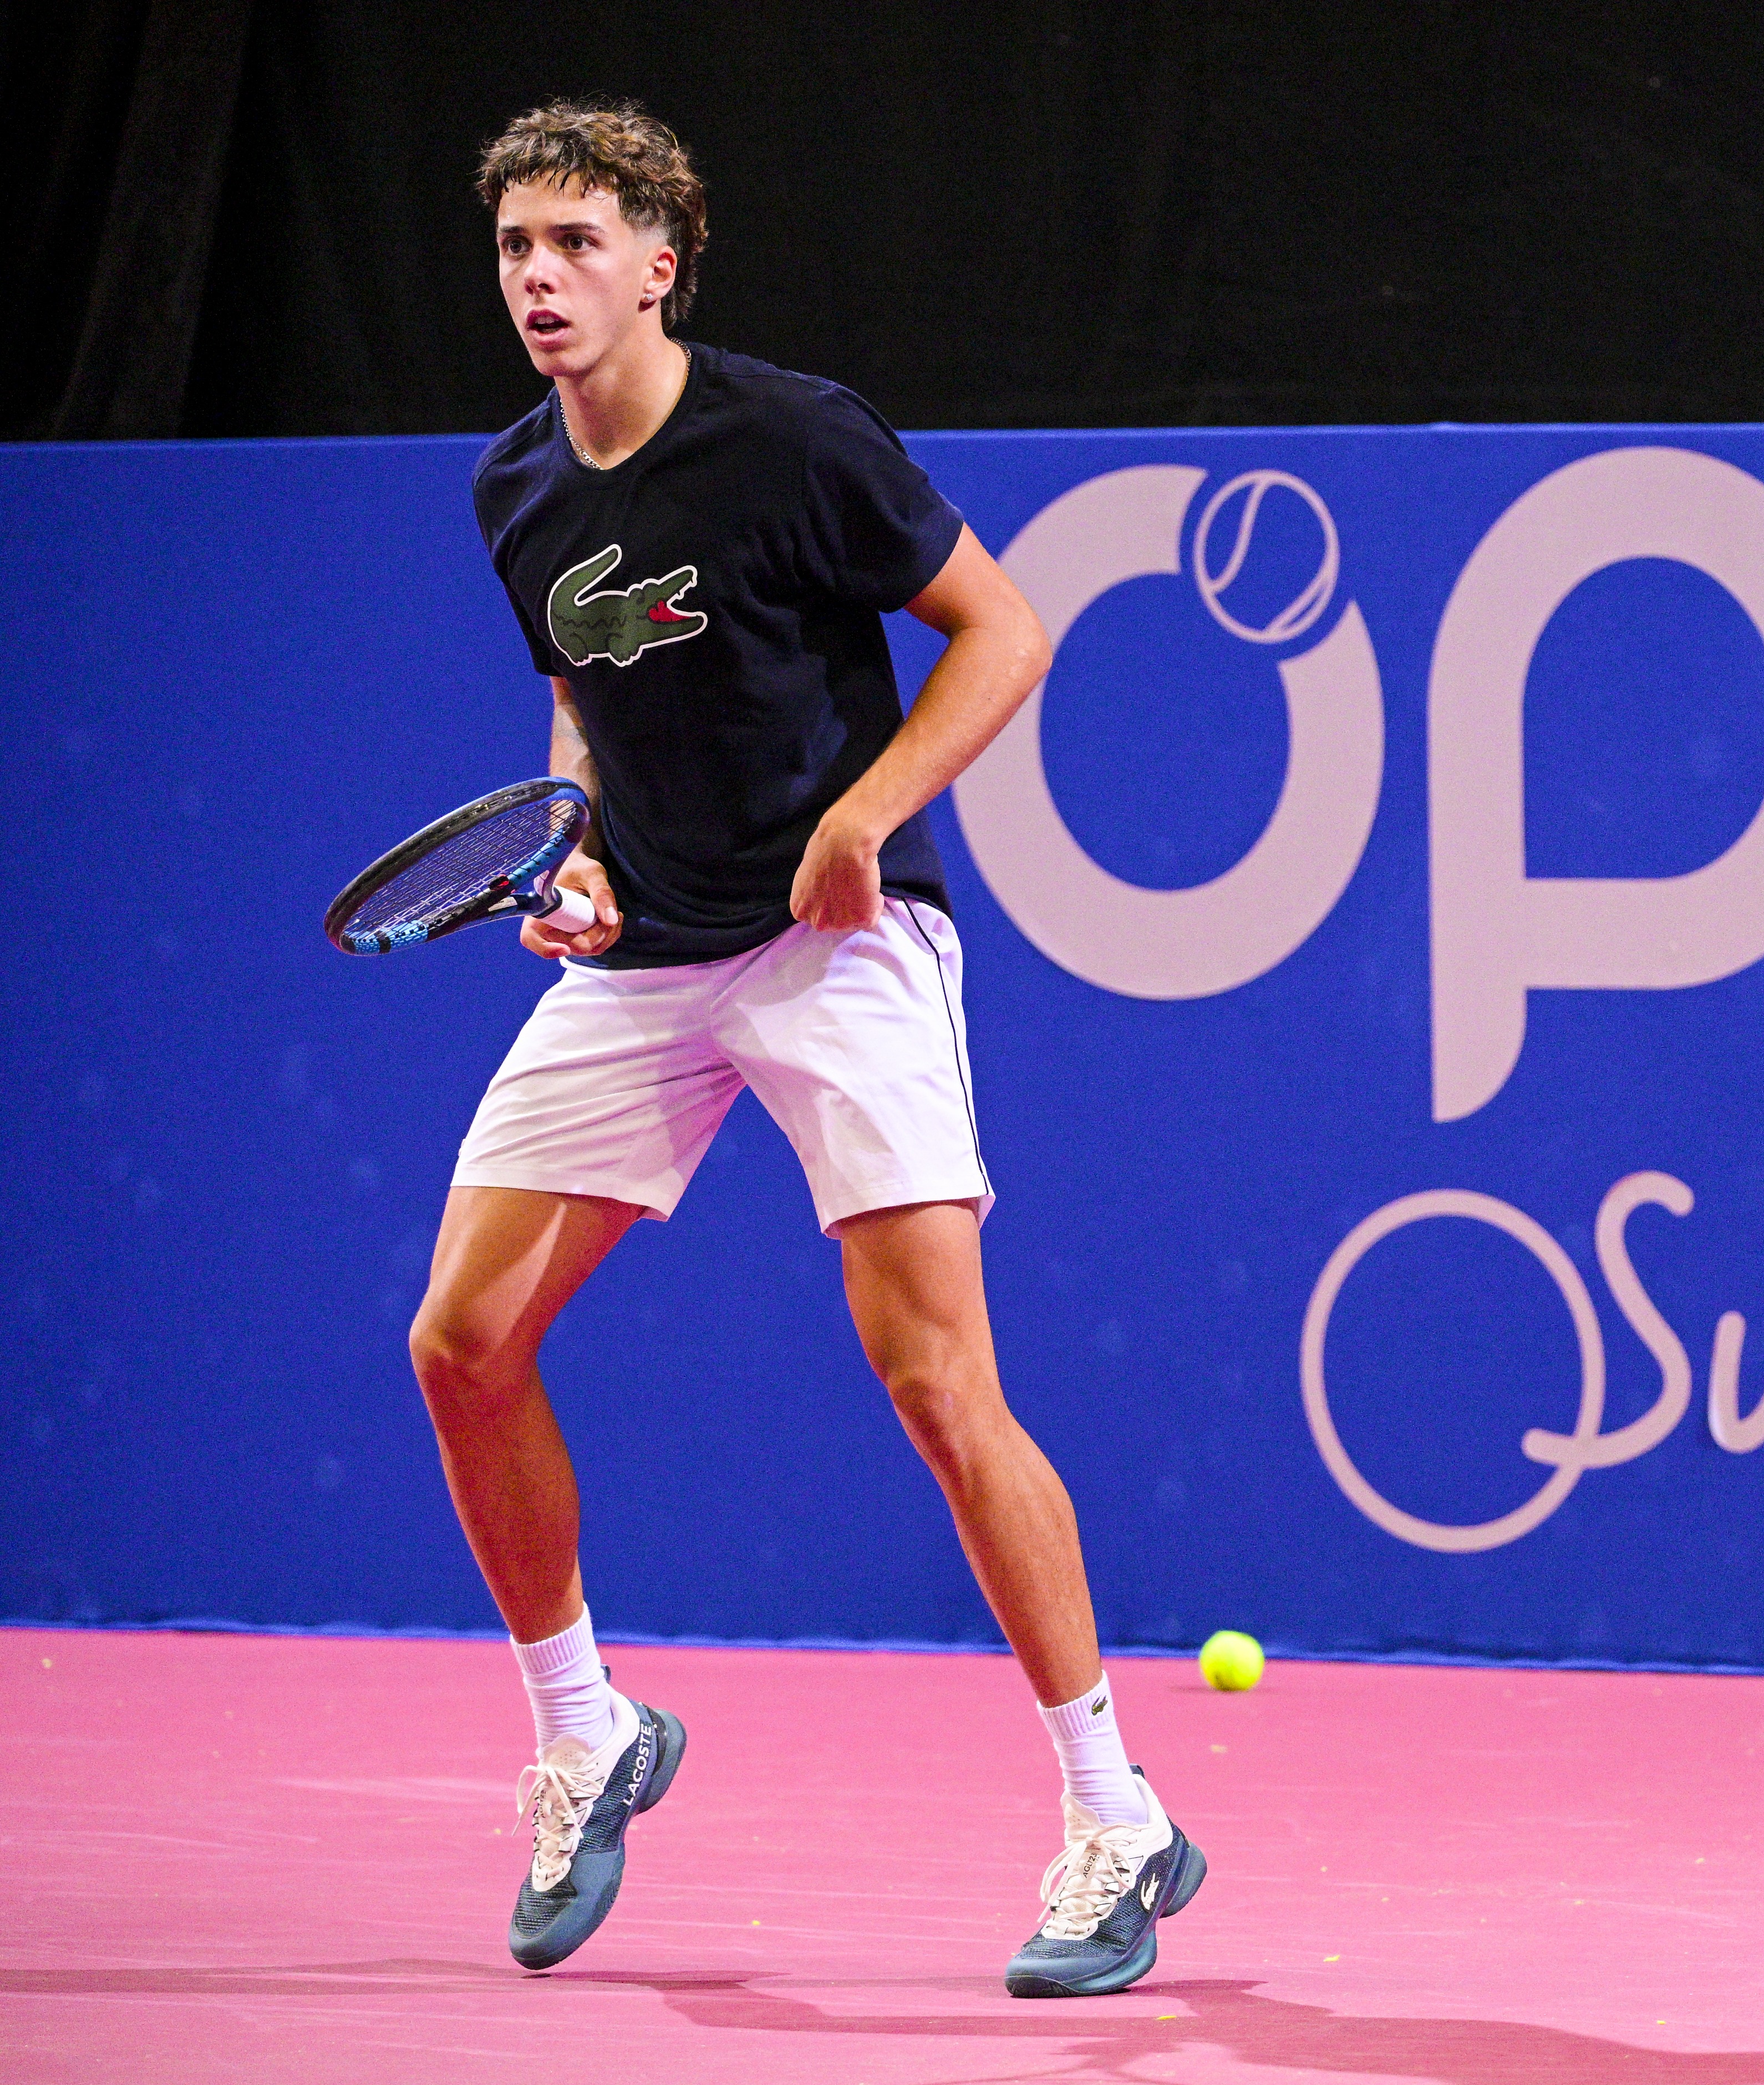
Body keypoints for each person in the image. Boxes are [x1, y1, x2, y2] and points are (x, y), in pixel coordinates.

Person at [411, 98, 1202, 1995]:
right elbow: (582, 710)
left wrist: (871, 811)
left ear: (659, 260)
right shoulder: (515, 492)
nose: (543, 279)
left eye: (579, 244)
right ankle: (586, 1732)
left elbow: (1004, 632)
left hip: (840, 946)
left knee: (936, 1382)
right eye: (519, 248)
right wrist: (574, 851)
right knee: (462, 1342)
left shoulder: (792, 439)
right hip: (649, 958)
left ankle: (1117, 1814)